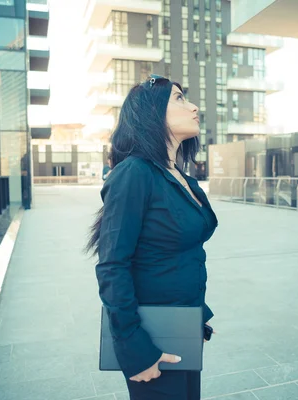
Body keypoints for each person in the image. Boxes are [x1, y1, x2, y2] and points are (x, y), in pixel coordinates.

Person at [86, 75, 218, 400]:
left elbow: (180, 255)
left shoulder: (179, 176)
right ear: (151, 112)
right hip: (151, 339)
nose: (193, 106)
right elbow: (112, 265)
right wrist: (135, 349)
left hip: (182, 326)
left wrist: (197, 314)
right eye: (178, 98)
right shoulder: (134, 173)